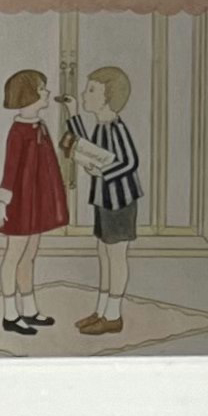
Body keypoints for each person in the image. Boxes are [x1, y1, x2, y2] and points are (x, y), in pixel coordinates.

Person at [64, 66, 142, 335]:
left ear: (108, 97)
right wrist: (73, 114)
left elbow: (131, 161)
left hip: (120, 202)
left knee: (115, 256)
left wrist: (102, 171)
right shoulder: (101, 125)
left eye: (91, 90)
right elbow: (87, 146)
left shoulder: (116, 127)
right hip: (104, 200)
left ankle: (113, 316)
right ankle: (101, 311)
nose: (85, 94)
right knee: (104, 255)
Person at [0, 69, 68, 336]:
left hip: (35, 201)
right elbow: (10, 170)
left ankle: (29, 309)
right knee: (14, 256)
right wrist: (1, 202)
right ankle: (10, 314)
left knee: (30, 256)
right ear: (29, 95)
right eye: (42, 88)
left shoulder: (39, 125)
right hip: (20, 203)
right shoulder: (18, 132)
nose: (47, 92)